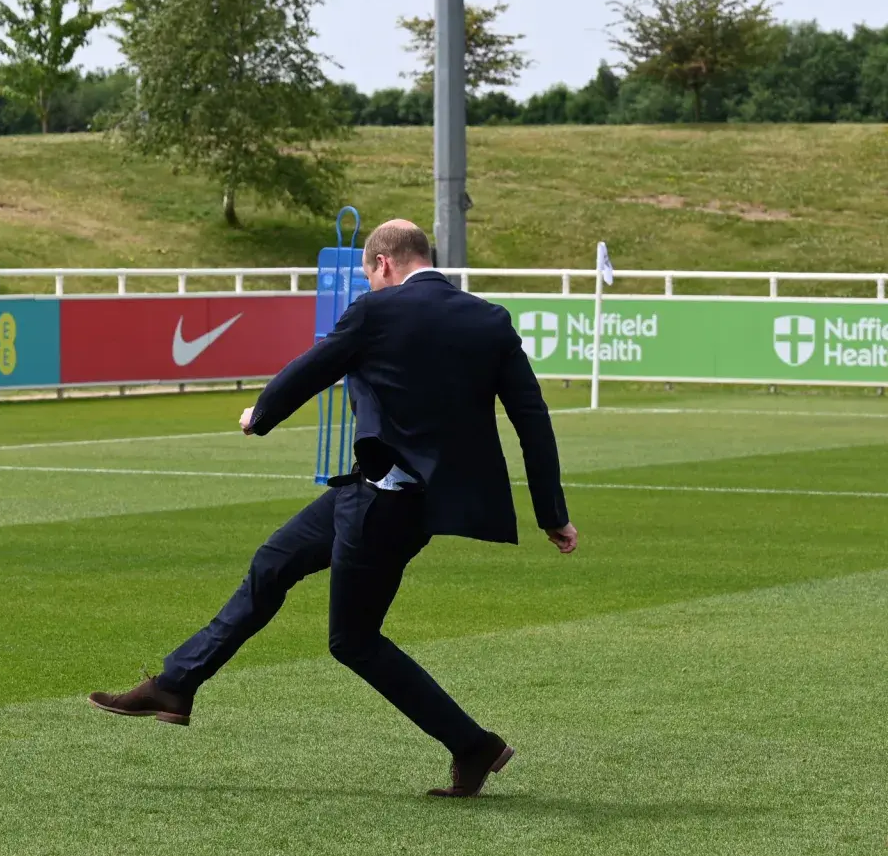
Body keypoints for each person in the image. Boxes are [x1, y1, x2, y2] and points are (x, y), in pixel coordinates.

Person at [89, 219, 578, 798]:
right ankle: (176, 683)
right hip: (395, 498)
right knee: (273, 562)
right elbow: (532, 418)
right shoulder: (489, 319)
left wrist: (260, 415)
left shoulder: (376, 310)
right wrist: (552, 513)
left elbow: (314, 366)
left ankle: (473, 744)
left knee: (354, 640)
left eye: (369, 275)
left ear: (383, 264)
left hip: (384, 503)